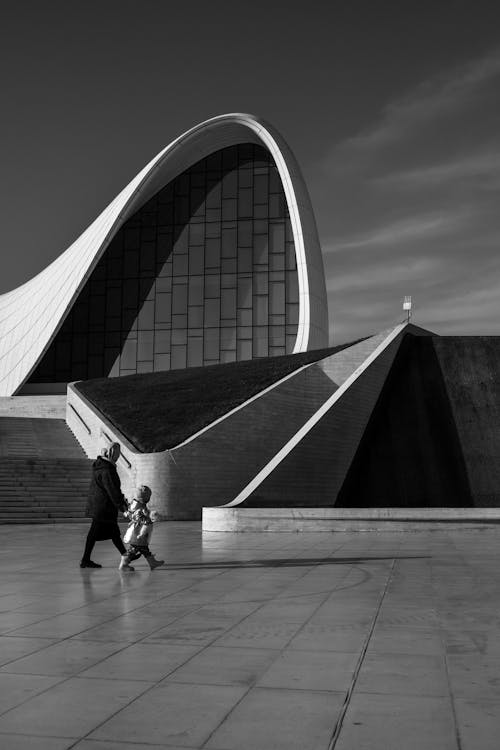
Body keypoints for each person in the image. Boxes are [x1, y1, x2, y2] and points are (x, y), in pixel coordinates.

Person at [80, 442, 129, 569]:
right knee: (98, 533)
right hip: (103, 507)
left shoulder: (101, 467)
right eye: (117, 454)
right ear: (112, 453)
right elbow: (112, 490)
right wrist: (122, 507)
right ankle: (125, 555)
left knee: (113, 532)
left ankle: (125, 555)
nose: (118, 457)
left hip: (100, 506)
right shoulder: (107, 469)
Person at [121, 484, 164, 571]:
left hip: (137, 531)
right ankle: (123, 564)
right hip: (138, 532)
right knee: (134, 549)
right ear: (146, 498)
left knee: (143, 548)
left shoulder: (134, 504)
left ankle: (152, 563)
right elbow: (140, 518)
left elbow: (130, 514)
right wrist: (149, 518)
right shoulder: (140, 507)